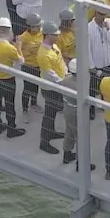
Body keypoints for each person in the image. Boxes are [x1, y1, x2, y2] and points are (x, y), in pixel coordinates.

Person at [36, 22, 75, 160]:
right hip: (51, 87)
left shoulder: (53, 46)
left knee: (51, 112)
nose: (57, 37)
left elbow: (60, 62)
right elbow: (49, 74)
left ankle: (50, 132)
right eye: (55, 35)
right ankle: (44, 142)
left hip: (59, 83)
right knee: (49, 113)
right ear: (48, 35)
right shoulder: (43, 54)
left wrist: (66, 73)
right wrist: (63, 82)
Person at [16, 13, 46, 116]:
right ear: (29, 26)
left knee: (36, 85)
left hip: (38, 65)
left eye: (38, 26)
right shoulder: (24, 37)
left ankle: (34, 103)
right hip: (28, 66)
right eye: (35, 26)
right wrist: (21, 57)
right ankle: (24, 109)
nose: (37, 28)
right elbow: (18, 48)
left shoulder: (42, 34)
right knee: (27, 88)